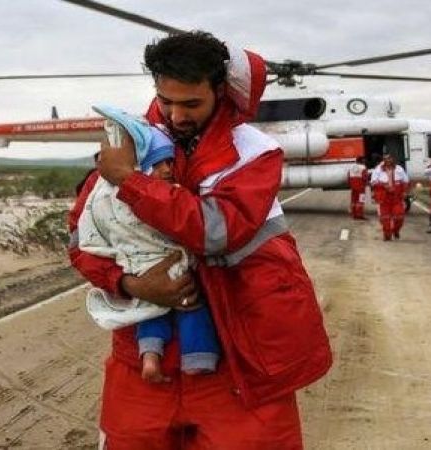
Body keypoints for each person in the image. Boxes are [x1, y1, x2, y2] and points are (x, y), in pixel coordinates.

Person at [69, 31, 332, 449]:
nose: (175, 116)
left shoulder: (255, 153)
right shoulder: (129, 146)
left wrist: (129, 181)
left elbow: (217, 232)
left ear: (221, 90)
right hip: (144, 360)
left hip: (238, 358)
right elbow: (81, 239)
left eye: (191, 103)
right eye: (165, 101)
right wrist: (130, 285)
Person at [77, 108, 219, 384]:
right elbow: (80, 248)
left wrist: (137, 285)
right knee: (191, 309)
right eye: (158, 163)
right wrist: (129, 284)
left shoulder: (109, 193)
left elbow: (217, 230)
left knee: (150, 315)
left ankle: (151, 356)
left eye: (169, 162)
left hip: (143, 276)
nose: (167, 169)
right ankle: (199, 358)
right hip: (168, 278)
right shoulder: (106, 184)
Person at [370, 153, 410, 241]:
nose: (388, 161)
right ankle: (387, 235)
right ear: (383, 160)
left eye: (389, 158)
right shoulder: (378, 170)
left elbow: (406, 181)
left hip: (397, 197)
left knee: (399, 217)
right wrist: (383, 185)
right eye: (386, 159)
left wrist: (405, 192)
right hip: (384, 197)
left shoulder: (399, 169)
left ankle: (396, 230)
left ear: (393, 159)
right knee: (385, 218)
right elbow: (373, 182)